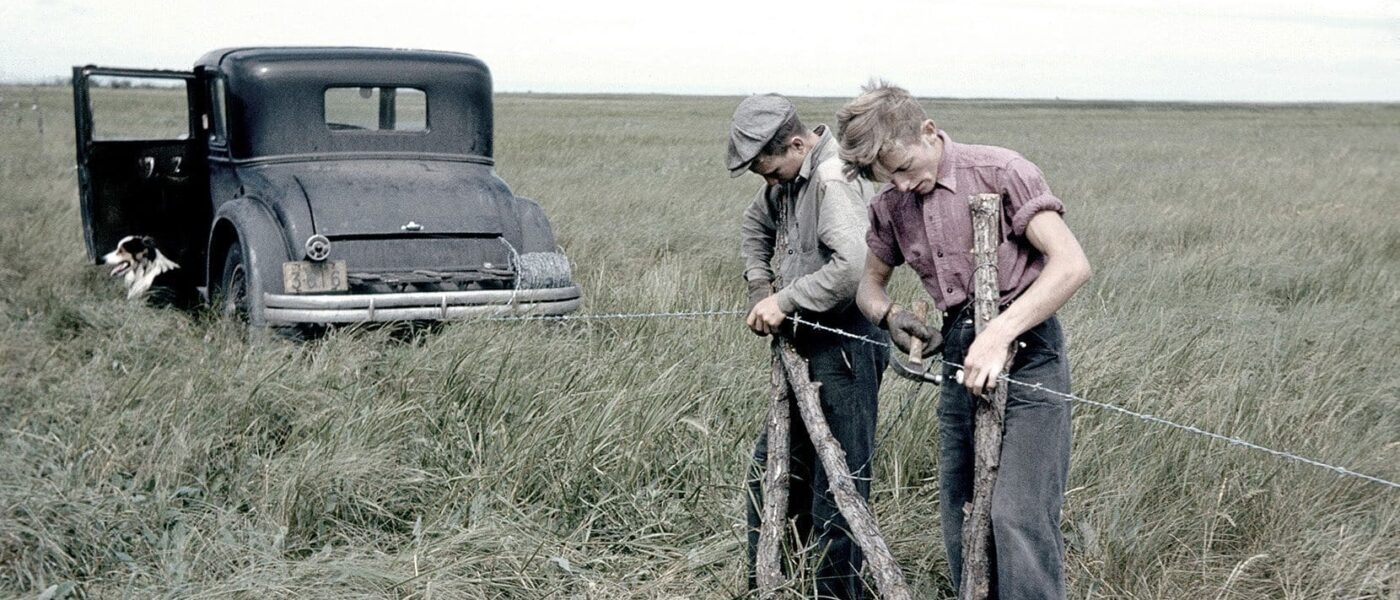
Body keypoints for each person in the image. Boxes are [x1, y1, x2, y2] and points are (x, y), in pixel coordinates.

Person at [836, 81, 1091, 600]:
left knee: (1016, 513)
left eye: (905, 167)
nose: (902, 185)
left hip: (1029, 350)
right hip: (960, 354)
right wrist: (890, 316)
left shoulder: (1001, 172)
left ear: (928, 132)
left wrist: (999, 332)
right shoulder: (892, 204)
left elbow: (1072, 265)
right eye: (888, 177)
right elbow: (869, 284)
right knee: (961, 510)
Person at [727, 93, 888, 599]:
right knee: (773, 473)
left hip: (845, 348)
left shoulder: (831, 179)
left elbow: (852, 270)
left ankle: (836, 595)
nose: (768, 185)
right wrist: (760, 288)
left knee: (836, 491)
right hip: (804, 345)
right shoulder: (788, 179)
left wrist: (785, 300)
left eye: (770, 172)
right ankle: (776, 585)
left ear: (798, 143)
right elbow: (755, 224)